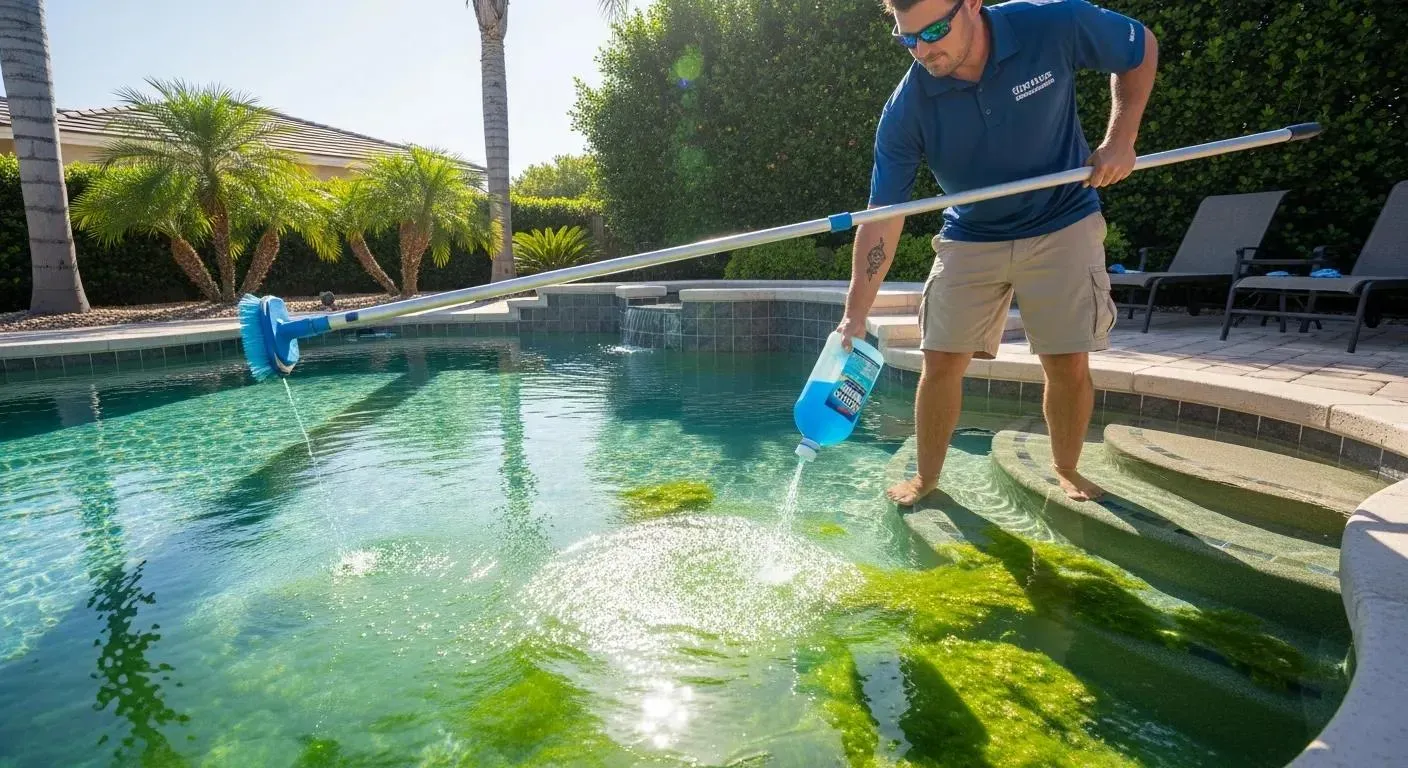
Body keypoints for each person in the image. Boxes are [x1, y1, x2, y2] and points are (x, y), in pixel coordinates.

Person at [837, 0, 1158, 505]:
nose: (922, 50)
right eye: (908, 39)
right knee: (940, 359)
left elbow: (1139, 48)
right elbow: (883, 218)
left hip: (1062, 218)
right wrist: (855, 316)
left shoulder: (1051, 25)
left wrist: (1121, 139)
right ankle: (927, 478)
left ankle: (1067, 468)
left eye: (935, 30)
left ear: (972, 5)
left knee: (1066, 360)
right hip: (971, 234)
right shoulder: (908, 106)